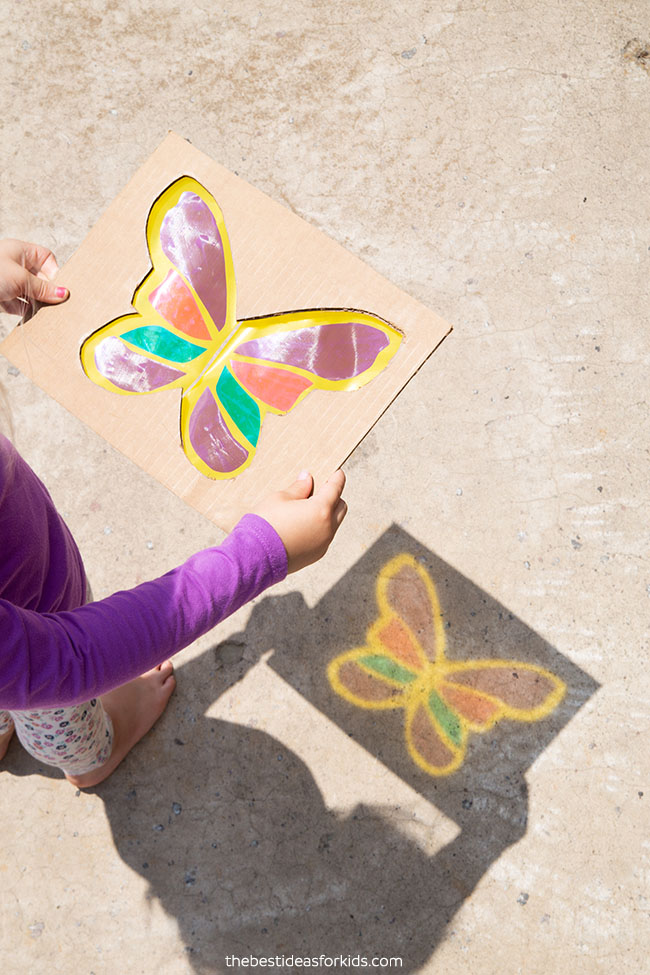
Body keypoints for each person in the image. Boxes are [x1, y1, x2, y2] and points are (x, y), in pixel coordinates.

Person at [0, 238, 347, 789]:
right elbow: (66, 661)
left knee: (15, 685)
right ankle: (90, 760)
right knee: (51, 704)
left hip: (21, 602)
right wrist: (259, 554)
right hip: (43, 624)